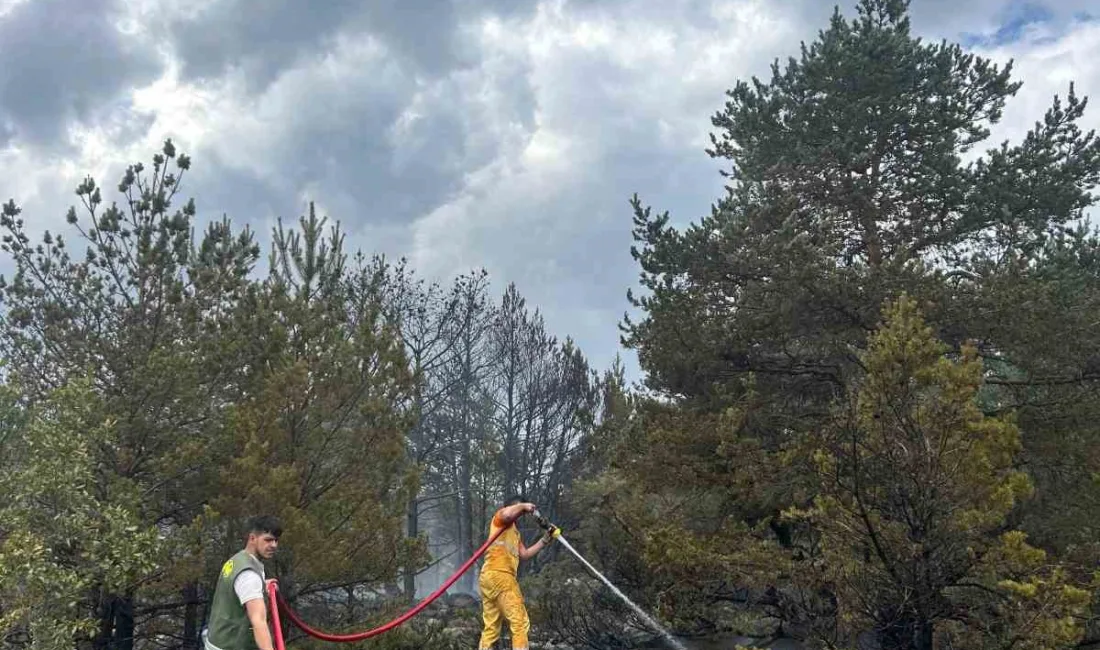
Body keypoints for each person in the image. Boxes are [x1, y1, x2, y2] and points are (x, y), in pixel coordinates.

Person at [478, 495, 559, 650]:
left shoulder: (514, 532)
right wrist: (524, 506)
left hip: (489, 577)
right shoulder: (500, 518)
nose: (522, 513)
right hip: (501, 576)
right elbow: (508, 514)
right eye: (519, 508)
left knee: (491, 628)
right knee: (519, 621)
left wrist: (545, 540)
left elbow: (525, 554)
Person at [203, 515, 282, 650]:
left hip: (216, 641)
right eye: (268, 540)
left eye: (276, 540)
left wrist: (262, 585)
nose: (273, 545)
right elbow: (259, 622)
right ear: (252, 538)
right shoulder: (249, 576)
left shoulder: (237, 561)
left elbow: (235, 589)